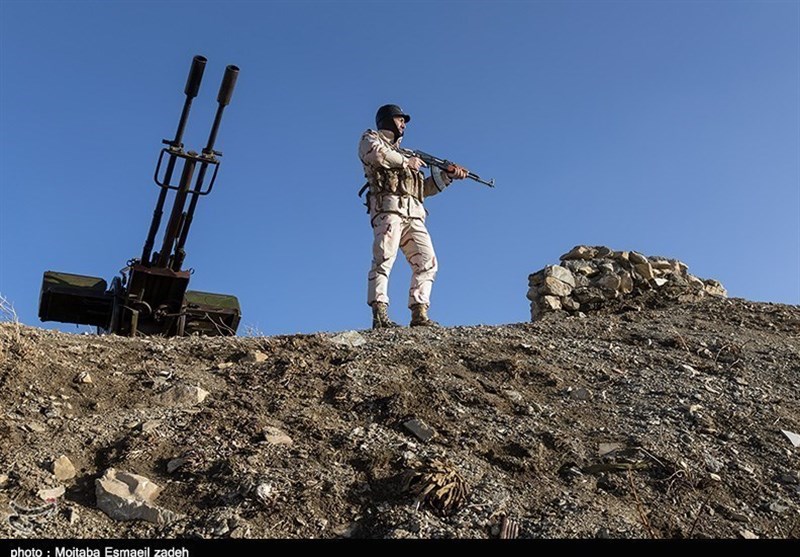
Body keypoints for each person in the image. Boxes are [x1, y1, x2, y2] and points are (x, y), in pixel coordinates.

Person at [358, 104, 468, 329]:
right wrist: (406, 162)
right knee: (384, 258)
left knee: (428, 261)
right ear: (388, 120)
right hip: (388, 210)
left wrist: (448, 177)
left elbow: (423, 189)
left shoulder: (409, 155)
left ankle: (419, 313)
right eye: (400, 119)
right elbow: (377, 155)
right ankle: (380, 314)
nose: (403, 124)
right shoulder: (371, 138)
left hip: (414, 215)